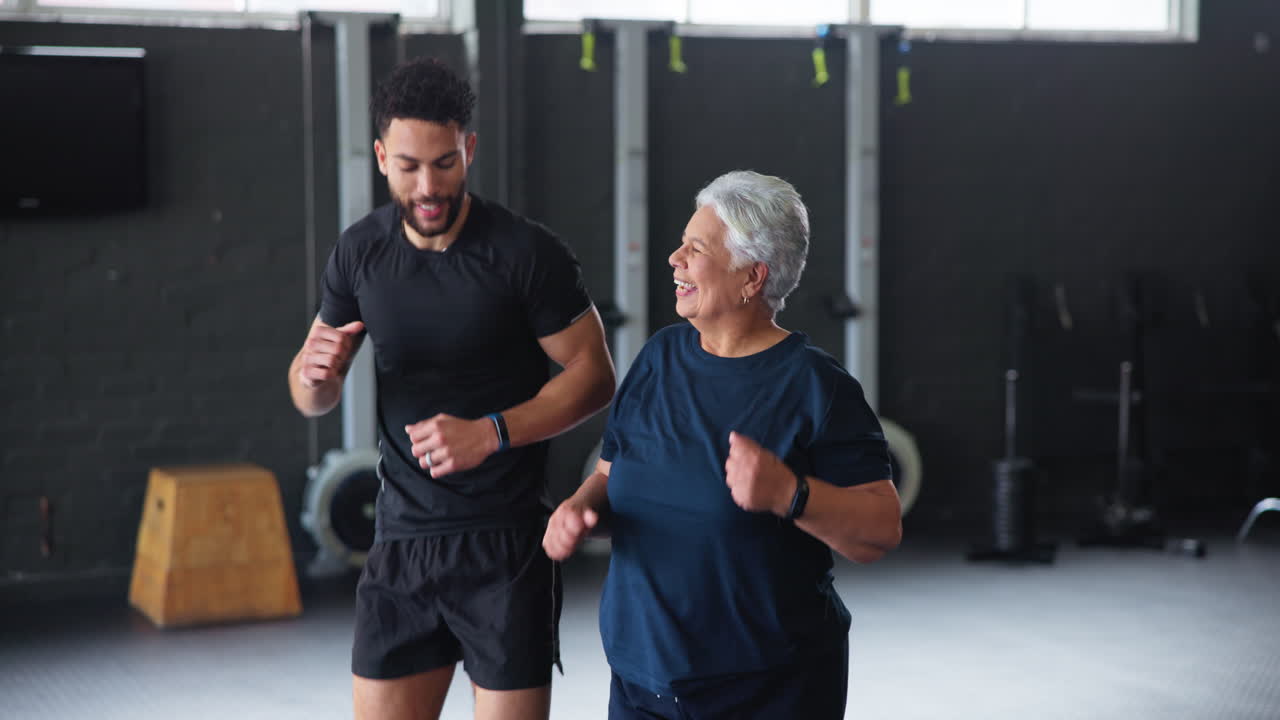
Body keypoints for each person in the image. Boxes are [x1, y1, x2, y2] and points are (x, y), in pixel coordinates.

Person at [288, 57, 616, 720]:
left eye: (444, 162)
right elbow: (309, 394)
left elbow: (595, 376)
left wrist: (493, 432)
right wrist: (317, 377)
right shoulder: (359, 255)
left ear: (468, 148)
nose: (428, 184)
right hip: (401, 545)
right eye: (409, 166)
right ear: (382, 157)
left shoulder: (526, 254)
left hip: (505, 549)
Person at [543, 170, 902, 719]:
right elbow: (611, 476)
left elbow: (880, 530)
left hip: (768, 693)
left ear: (751, 279)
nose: (674, 258)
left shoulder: (816, 387)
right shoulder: (658, 359)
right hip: (643, 684)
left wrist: (790, 493)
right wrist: (581, 507)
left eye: (696, 248)